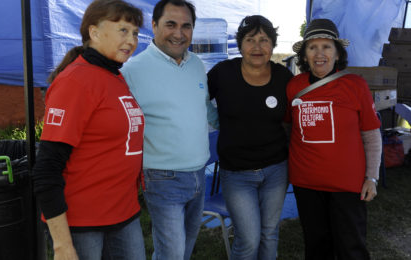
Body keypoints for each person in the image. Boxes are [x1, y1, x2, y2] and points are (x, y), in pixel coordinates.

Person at [31, 1, 146, 259]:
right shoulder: (76, 81)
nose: (132, 40)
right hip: (83, 224)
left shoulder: (115, 76)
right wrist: (62, 244)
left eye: (135, 33)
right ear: (94, 33)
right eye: (123, 30)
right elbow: (47, 168)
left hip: (124, 213)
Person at [121, 0, 218, 259]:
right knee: (172, 253)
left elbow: (206, 108)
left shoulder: (196, 64)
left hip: (199, 172)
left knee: (182, 250)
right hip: (162, 176)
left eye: (186, 26)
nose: (179, 33)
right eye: (170, 25)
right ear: (153, 26)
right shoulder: (132, 70)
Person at [286, 18, 382, 259]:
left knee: (351, 247)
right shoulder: (293, 86)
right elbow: (287, 128)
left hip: (348, 185)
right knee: (317, 247)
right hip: (306, 183)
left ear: (337, 54)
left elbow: (371, 135)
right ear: (305, 55)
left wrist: (372, 177)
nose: (320, 53)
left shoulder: (355, 85)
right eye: (312, 47)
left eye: (327, 46)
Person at [207, 15, 293, 259]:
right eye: (250, 40)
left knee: (269, 233)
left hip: (276, 169)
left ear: (273, 45)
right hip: (237, 173)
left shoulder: (283, 77)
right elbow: (197, 96)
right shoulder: (223, 72)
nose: (257, 47)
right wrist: (212, 119)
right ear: (240, 44)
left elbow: (293, 117)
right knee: (248, 240)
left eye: (264, 40)